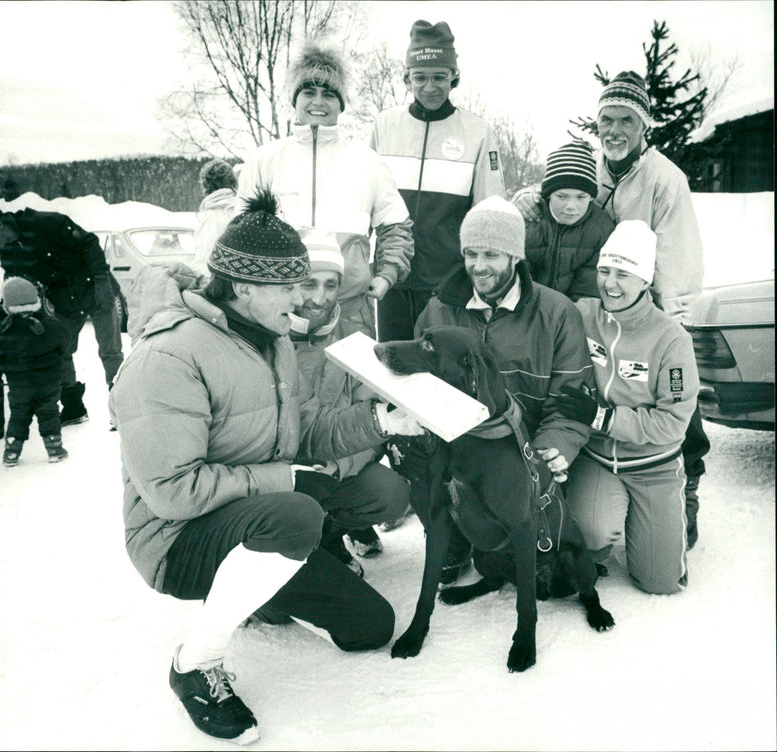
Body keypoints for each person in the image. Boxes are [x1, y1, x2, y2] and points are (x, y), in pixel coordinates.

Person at [108, 189, 423, 745]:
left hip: (257, 518)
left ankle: (258, 584)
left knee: (370, 629)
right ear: (245, 286)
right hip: (176, 540)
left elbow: (303, 432)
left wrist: (381, 420)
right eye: (290, 285)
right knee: (297, 513)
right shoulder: (168, 356)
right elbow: (171, 493)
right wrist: (288, 482)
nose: (304, 299)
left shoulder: (272, 341)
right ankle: (195, 665)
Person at [513, 71, 709, 549]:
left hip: (648, 305)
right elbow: (561, 195)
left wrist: (670, 327)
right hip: (596, 304)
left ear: (644, 126)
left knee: (675, 406)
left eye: (626, 120)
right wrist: (527, 200)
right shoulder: (595, 169)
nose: (614, 130)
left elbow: (679, 255)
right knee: (594, 390)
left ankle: (685, 489)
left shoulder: (665, 179)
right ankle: (591, 486)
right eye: (606, 119)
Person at [401, 195, 595, 583]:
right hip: (461, 440)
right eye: (471, 253)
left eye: (491, 254)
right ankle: (453, 547)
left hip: (525, 444)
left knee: (559, 543)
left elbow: (572, 398)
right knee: (412, 452)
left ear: (514, 257)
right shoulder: (440, 309)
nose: (478, 266)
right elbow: (417, 380)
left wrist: (553, 448)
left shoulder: (556, 313)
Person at [554, 220, 699, 594]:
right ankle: (612, 517)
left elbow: (673, 423)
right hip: (598, 459)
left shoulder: (671, 338)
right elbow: (536, 307)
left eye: (623, 274)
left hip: (654, 465)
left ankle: (665, 515)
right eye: (604, 271)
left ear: (645, 282)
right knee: (590, 536)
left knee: (661, 582)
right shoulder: (583, 314)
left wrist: (604, 417)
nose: (610, 283)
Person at [235, 39, 414, 338]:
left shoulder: (368, 162)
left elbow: (396, 228)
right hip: (277, 316)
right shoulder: (264, 160)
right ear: (295, 99)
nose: (318, 101)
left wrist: (386, 275)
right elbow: (240, 235)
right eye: (309, 91)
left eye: (329, 94)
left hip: (349, 314)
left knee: (349, 386)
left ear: (340, 103)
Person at [370, 19, 506, 344]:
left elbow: (491, 212)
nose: (429, 87)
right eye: (420, 77)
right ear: (406, 78)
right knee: (394, 367)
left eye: (440, 77)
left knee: (444, 375)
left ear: (454, 77)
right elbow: (366, 199)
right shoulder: (385, 125)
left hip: (449, 282)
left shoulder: (478, 132)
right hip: (393, 279)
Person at [289, 229, 411, 569]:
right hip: (283, 474)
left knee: (390, 493)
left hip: (334, 464)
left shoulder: (353, 339)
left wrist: (339, 466)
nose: (319, 297)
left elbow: (371, 424)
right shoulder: (272, 337)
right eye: (309, 284)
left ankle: (329, 537)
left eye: (331, 285)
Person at [0, 204, 123, 427]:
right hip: (64, 301)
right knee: (60, 350)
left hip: (94, 290)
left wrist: (102, 282)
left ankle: (122, 407)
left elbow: (89, 243)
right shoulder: (9, 253)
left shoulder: (44, 223)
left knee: (110, 350)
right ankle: (73, 407)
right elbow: (14, 288)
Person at [0, 277, 68, 466]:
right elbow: (64, 345)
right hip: (49, 382)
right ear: (36, 300)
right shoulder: (51, 326)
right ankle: (55, 448)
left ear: (7, 305)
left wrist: (8, 365)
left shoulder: (2, 331)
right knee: (49, 412)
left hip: (19, 383)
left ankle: (11, 452)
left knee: (19, 414)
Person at [525, 140, 615, 301]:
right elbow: (516, 277)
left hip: (571, 313)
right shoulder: (529, 221)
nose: (571, 206)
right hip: (525, 309)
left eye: (581, 197)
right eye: (562, 196)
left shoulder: (601, 229)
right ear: (547, 194)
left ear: (591, 197)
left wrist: (566, 319)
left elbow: (588, 291)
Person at [193, 158, 238, 275]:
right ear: (233, 182)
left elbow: (205, 258)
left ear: (205, 184)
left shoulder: (210, 216)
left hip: (219, 284)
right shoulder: (242, 209)